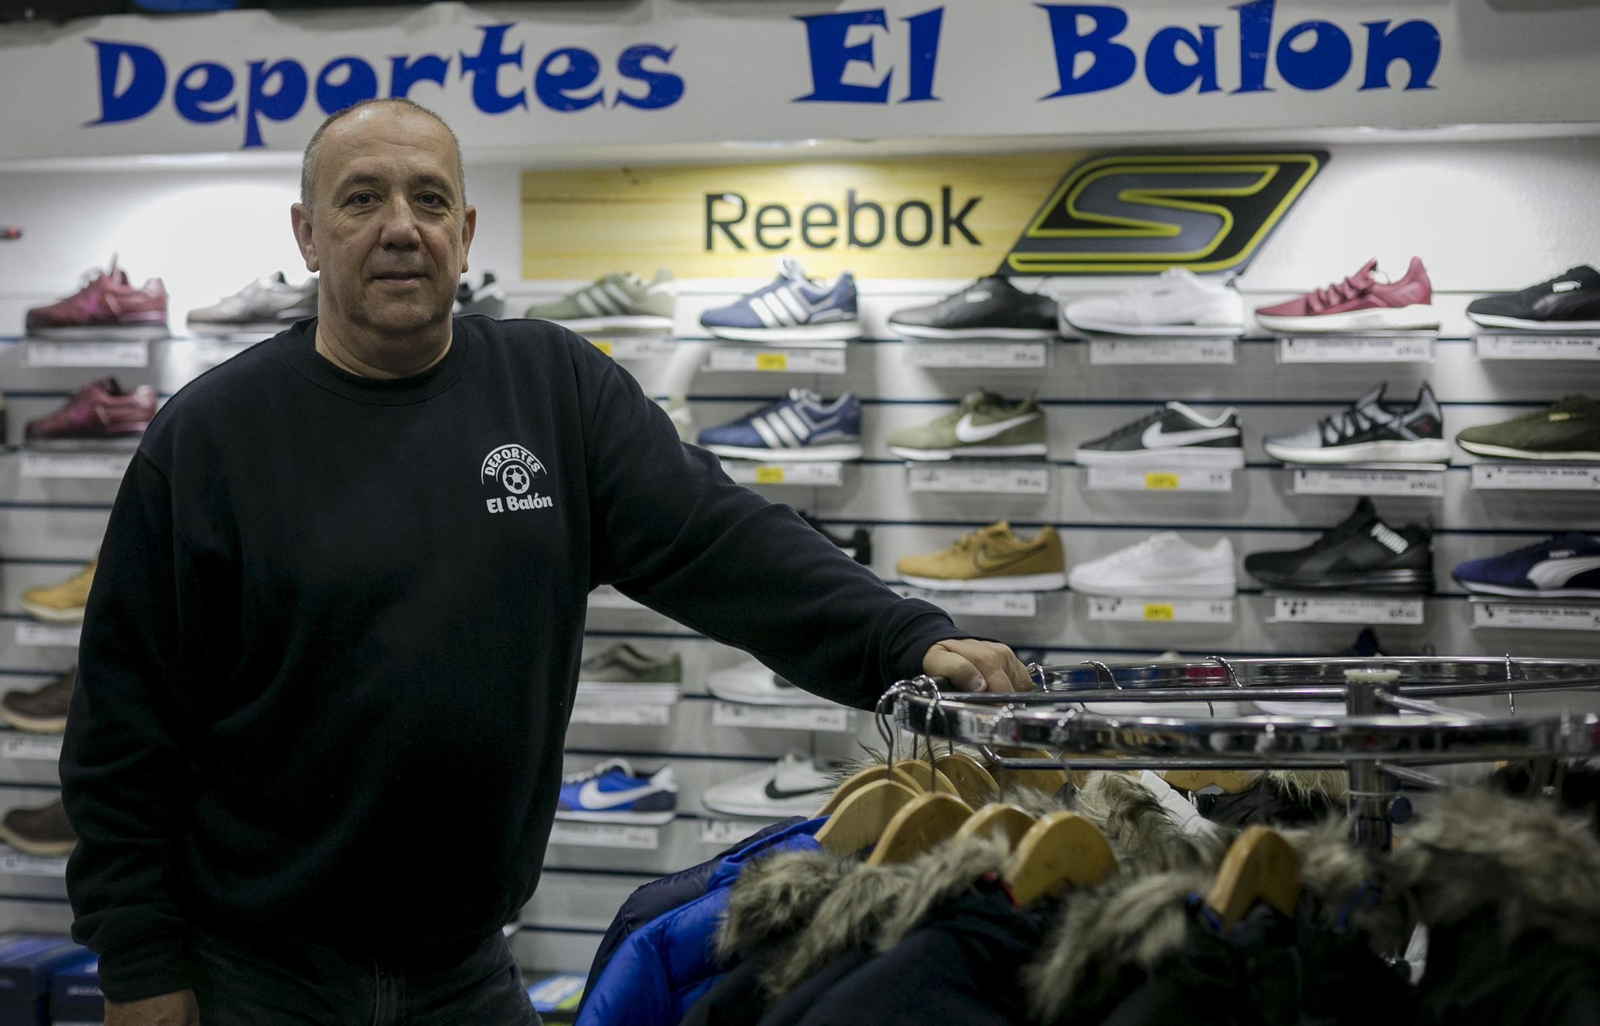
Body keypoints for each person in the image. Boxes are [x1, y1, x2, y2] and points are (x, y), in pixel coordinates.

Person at [60, 98, 1032, 1026]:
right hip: (254, 975)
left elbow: (720, 536)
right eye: (362, 199)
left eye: (429, 199)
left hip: (467, 967)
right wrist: (140, 965)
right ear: (307, 234)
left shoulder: (552, 388)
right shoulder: (211, 437)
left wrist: (908, 637)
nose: (401, 226)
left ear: (466, 229)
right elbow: (122, 730)